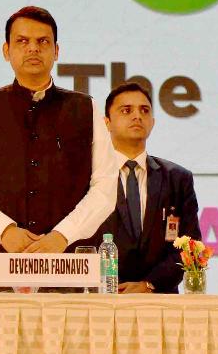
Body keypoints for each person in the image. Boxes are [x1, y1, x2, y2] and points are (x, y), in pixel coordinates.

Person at [0, 7, 118, 291]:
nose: (33, 49)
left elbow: (105, 188)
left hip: (66, 271)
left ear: (56, 51)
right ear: (6, 51)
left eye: (42, 41)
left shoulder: (84, 108)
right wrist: (4, 230)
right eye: (22, 41)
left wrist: (62, 236)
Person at [85, 81, 201, 293]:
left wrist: (149, 285)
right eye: (126, 110)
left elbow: (189, 245)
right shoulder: (87, 176)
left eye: (144, 110)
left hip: (160, 299)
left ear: (152, 122)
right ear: (107, 123)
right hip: (101, 297)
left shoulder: (177, 178)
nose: (137, 116)